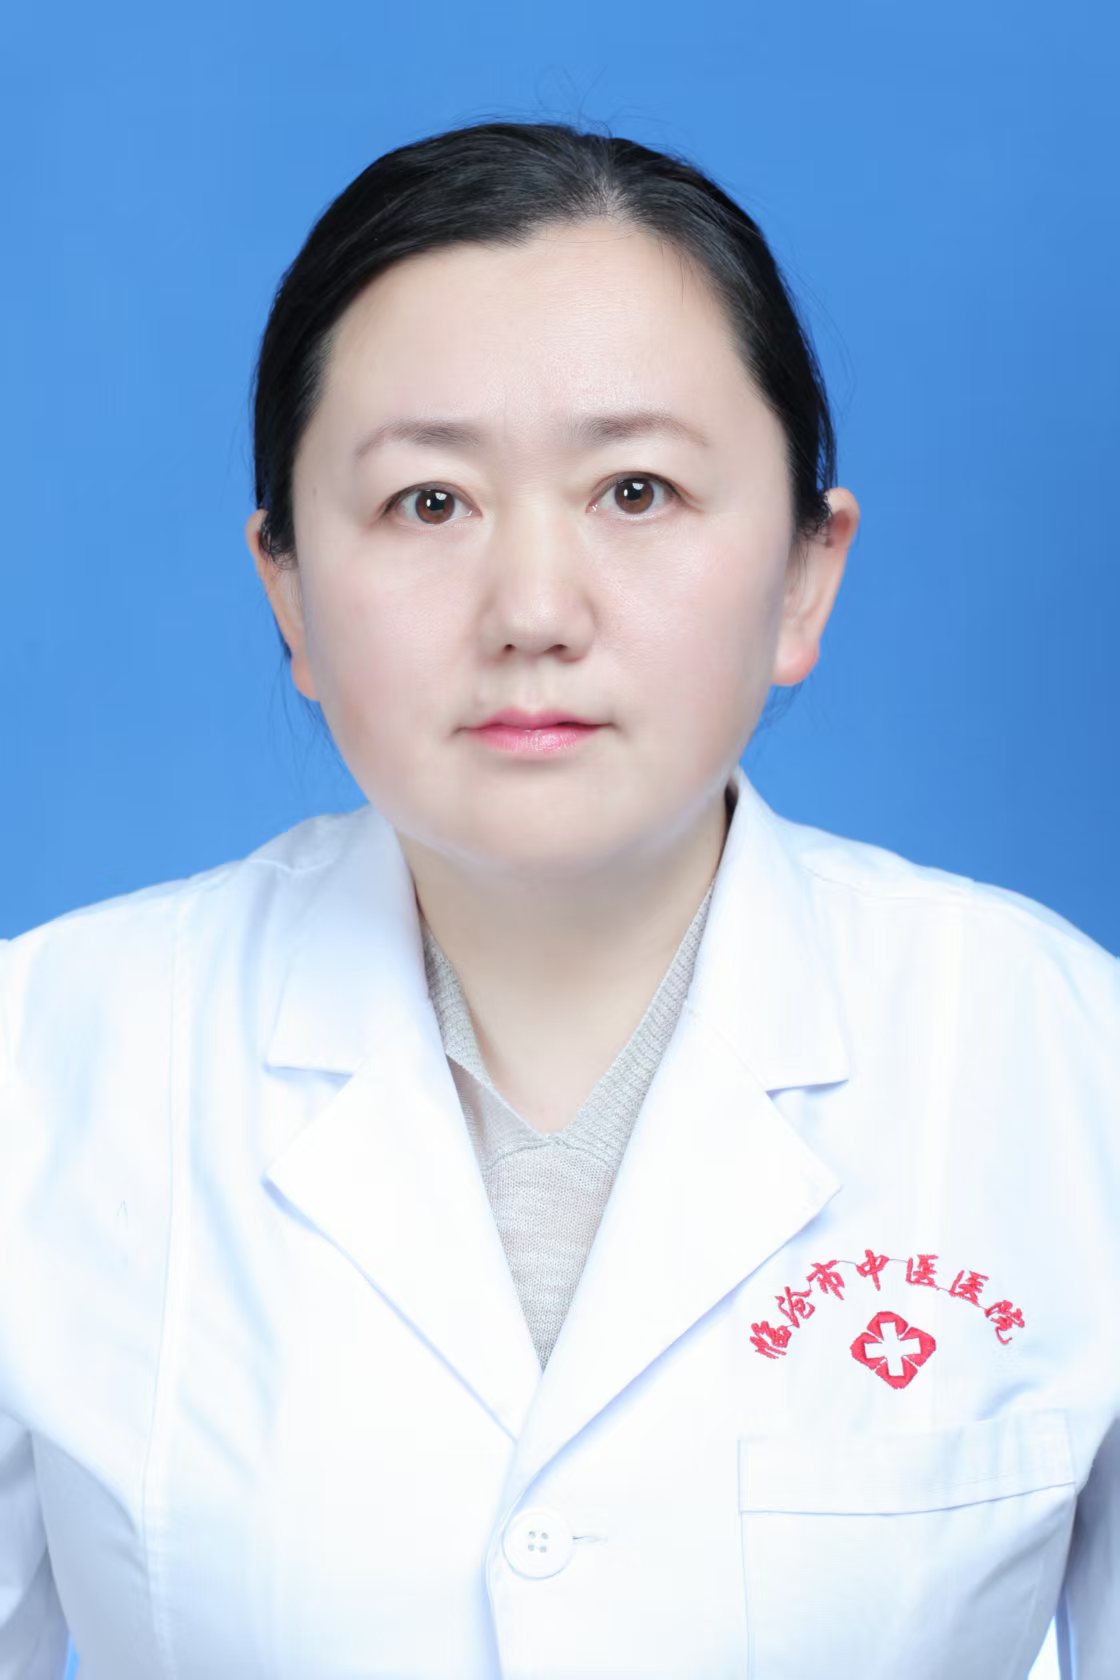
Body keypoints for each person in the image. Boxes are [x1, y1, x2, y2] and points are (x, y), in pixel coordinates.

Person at [1, 118, 1115, 1680]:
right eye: (429, 503)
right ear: (288, 589)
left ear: (806, 573)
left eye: (637, 490)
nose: (533, 611)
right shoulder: (47, 1067)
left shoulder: (1063, 1067)